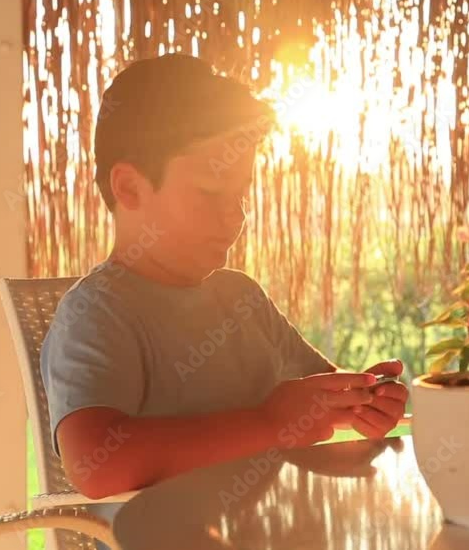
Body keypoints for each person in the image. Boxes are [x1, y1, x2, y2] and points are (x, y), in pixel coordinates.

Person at [39, 54, 409, 525]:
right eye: (211, 193)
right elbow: (97, 464)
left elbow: (316, 427)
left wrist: (360, 408)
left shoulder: (241, 300)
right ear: (130, 188)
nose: (236, 216)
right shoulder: (97, 314)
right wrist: (270, 423)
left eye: (241, 194)